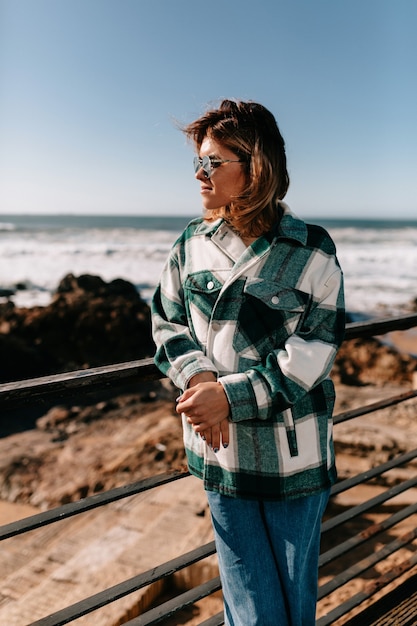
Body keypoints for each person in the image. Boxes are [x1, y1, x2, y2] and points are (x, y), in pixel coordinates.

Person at [151, 99, 345, 626]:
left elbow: (316, 350)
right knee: (248, 604)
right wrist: (200, 378)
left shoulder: (312, 249)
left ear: (256, 167)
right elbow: (166, 321)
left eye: (214, 162)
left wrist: (230, 397)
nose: (200, 173)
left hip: (294, 456)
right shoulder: (191, 244)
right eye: (199, 161)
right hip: (221, 453)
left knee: (292, 601)